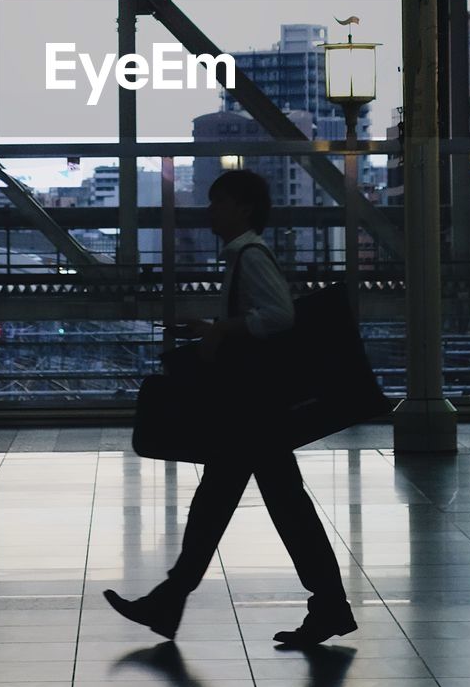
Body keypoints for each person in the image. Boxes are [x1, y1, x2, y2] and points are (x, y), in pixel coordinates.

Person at [105, 169, 356, 648]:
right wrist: (214, 326)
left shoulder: (250, 255)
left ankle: (172, 600)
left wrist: (223, 331)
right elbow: (261, 318)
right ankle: (323, 605)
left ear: (242, 208)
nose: (211, 212)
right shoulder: (244, 256)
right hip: (254, 415)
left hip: (252, 414)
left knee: (241, 508)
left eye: (218, 203)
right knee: (260, 508)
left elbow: (280, 315)